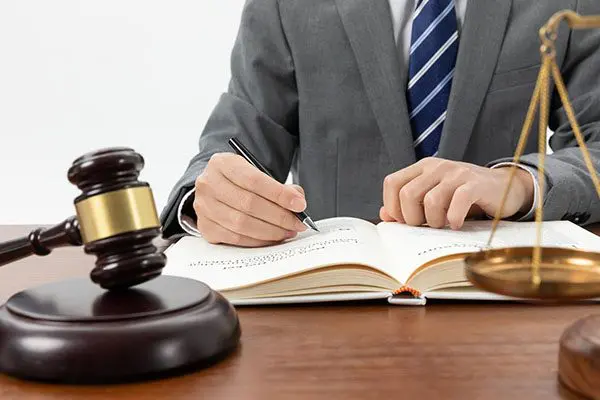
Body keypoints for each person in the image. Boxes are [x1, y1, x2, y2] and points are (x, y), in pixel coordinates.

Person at [160, 0, 600, 247]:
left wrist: (519, 184)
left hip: (500, 295)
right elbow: (234, 140)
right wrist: (207, 201)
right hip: (331, 297)